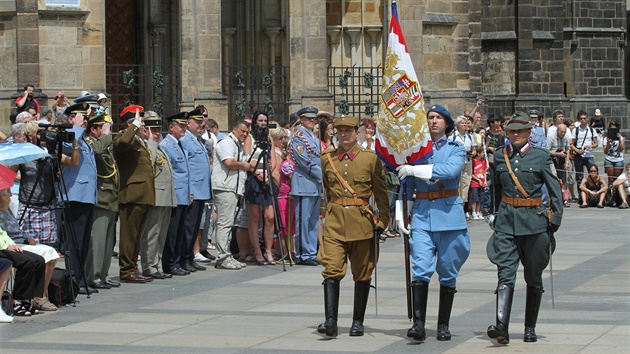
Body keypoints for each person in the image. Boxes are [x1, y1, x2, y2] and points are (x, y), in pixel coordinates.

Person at [486, 112, 563, 345]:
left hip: (534, 222)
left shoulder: (541, 156)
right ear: (506, 133)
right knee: (505, 274)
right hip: (507, 223)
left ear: (530, 132)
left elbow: (554, 189)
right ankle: (502, 326)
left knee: (533, 275)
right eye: (511, 131)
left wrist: (555, 219)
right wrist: (494, 213)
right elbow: (496, 188)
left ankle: (530, 327)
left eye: (520, 130)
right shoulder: (500, 156)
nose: (516, 134)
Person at [396, 104, 471, 342]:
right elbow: (405, 184)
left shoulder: (455, 149)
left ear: (447, 123)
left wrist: (415, 169)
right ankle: (418, 324)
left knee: (448, 272)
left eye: (438, 117)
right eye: (430, 117)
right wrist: (401, 212)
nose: (433, 121)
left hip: (449, 217)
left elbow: (450, 171)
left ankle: (443, 325)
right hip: (422, 216)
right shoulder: (416, 152)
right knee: (420, 268)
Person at [316, 115, 389, 337]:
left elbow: (381, 192)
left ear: (357, 133)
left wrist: (383, 220)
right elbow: (328, 190)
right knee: (331, 269)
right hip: (335, 222)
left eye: (348, 130)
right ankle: (331, 321)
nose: (344, 134)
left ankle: (358, 321)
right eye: (340, 131)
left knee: (363, 272)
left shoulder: (369, 159)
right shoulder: (327, 158)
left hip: (361, 223)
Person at [113, 105, 155, 284]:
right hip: (131, 194)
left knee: (137, 236)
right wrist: (135, 126)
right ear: (131, 123)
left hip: (143, 193)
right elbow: (122, 145)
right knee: (129, 236)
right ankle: (126, 269)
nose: (143, 125)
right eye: (140, 122)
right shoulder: (123, 137)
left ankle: (133, 268)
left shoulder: (139, 140)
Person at [60, 102, 98, 294]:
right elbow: (69, 149)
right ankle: (73, 279)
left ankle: (80, 278)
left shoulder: (84, 140)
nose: (85, 119)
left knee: (83, 242)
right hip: (74, 196)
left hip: (86, 196)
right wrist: (75, 126)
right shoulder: (69, 136)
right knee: (74, 243)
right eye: (80, 116)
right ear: (70, 119)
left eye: (86, 116)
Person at [212, 120, 255, 270]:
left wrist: (265, 163)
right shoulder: (226, 142)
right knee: (224, 224)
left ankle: (226, 255)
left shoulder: (237, 145)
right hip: (225, 188)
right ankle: (222, 257)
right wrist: (245, 166)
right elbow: (229, 162)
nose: (245, 134)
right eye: (242, 131)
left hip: (233, 188)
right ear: (234, 129)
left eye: (247, 132)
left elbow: (248, 161)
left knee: (228, 223)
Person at [84, 113, 120, 290]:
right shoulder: (91, 143)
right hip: (100, 198)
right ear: (93, 129)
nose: (106, 131)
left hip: (111, 198)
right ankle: (94, 276)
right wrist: (105, 136)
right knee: (97, 241)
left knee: (107, 242)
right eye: (102, 128)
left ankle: (103, 274)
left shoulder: (104, 145)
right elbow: (96, 151)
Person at [139, 112, 176, 279]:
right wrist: (151, 141)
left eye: (157, 130)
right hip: (155, 196)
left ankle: (157, 264)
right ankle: (149, 266)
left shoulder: (159, 146)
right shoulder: (147, 146)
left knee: (161, 234)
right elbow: (148, 164)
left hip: (165, 196)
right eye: (152, 129)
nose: (156, 133)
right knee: (151, 233)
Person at [245, 111, 280, 265]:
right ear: (255, 122)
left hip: (267, 179)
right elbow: (248, 158)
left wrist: (269, 174)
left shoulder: (269, 138)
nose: (263, 123)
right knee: (254, 217)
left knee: (270, 217)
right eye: (260, 120)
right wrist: (259, 174)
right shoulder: (250, 137)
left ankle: (268, 250)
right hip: (254, 178)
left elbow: (272, 159)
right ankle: (257, 251)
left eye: (265, 120)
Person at [159, 111, 192, 276]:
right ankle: (170, 263)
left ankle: (177, 261)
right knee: (171, 232)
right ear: (171, 128)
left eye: (185, 125)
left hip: (183, 194)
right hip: (174, 195)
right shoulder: (166, 145)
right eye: (181, 125)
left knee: (180, 231)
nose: (184, 128)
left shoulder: (181, 144)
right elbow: (168, 173)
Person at [179, 108, 211, 272]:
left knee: (195, 226)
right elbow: (186, 168)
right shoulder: (186, 140)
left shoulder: (198, 140)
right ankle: (183, 258)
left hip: (201, 190)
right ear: (189, 123)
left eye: (202, 122)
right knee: (188, 227)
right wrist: (189, 190)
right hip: (193, 191)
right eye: (197, 122)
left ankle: (189, 257)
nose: (201, 125)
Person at [291, 106, 322, 266]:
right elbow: (304, 161)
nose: (312, 121)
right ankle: (303, 254)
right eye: (308, 118)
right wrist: (323, 175)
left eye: (313, 118)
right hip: (304, 182)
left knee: (312, 220)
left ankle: (311, 252)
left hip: (314, 184)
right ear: (301, 120)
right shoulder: (299, 137)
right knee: (303, 221)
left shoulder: (313, 137)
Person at [451, 115, 477, 220]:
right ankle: (455, 211)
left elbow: (474, 149)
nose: (465, 124)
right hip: (457, 163)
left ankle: (461, 211)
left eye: (466, 123)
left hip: (467, 163)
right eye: (462, 123)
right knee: (457, 187)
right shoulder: (452, 137)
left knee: (465, 187)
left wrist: (472, 153)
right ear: (457, 125)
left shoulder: (469, 136)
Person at [570, 110, 598, 184]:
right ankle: (580, 194)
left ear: (587, 118)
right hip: (579, 155)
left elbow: (596, 143)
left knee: (593, 174)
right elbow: (571, 144)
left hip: (589, 155)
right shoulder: (575, 130)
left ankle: (591, 191)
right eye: (581, 118)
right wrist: (577, 150)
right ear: (579, 120)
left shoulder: (591, 130)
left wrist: (591, 146)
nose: (583, 120)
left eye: (584, 118)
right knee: (579, 176)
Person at [547, 123, 571, 190]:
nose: (563, 133)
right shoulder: (551, 137)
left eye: (564, 132)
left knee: (563, 179)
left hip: (562, 159)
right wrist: (558, 154)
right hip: (553, 159)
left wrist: (567, 162)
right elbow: (547, 151)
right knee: (554, 178)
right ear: (557, 130)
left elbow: (567, 150)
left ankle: (563, 195)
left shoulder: (565, 137)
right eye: (561, 132)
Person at [603, 121, 625, 186]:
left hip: (618, 160)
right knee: (610, 179)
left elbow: (621, 149)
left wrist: (619, 139)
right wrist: (608, 143)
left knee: (617, 179)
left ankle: (617, 194)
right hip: (609, 159)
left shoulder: (621, 138)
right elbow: (605, 151)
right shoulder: (605, 139)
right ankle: (610, 194)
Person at [470, 145, 488, 220]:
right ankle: (473, 212)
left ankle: (478, 211)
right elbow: (471, 173)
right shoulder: (473, 161)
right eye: (482, 152)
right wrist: (478, 180)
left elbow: (484, 172)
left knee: (481, 199)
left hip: (482, 183)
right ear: (478, 153)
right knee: (475, 198)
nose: (483, 154)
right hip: (475, 182)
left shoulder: (483, 162)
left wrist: (485, 181)